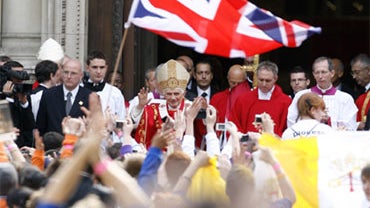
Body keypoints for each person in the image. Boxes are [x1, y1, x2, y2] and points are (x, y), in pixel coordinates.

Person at [131, 59, 191, 148]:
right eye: (169, 94)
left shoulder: (191, 109)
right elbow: (137, 130)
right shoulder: (153, 110)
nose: (173, 98)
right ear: (163, 94)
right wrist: (140, 107)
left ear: (184, 93)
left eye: (176, 94)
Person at [287, 56, 358, 130]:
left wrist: (329, 122)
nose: (320, 76)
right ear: (313, 75)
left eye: (323, 72)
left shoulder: (345, 98)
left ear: (332, 73)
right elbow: (292, 123)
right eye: (317, 72)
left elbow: (350, 127)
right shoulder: (301, 96)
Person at [229, 61, 291, 136]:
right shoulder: (243, 100)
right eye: (261, 80)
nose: (264, 84)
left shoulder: (285, 102)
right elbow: (234, 125)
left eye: (268, 81)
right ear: (256, 77)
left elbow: (288, 131)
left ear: (275, 78)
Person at [36, 59, 91, 136]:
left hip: (79, 145)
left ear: (81, 75)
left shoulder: (90, 97)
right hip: (53, 145)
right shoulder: (49, 95)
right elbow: (40, 126)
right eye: (66, 72)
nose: (69, 76)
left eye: (73, 73)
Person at [83, 50, 126, 119]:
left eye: (102, 67)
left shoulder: (115, 93)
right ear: (87, 68)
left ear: (106, 68)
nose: (98, 71)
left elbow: (121, 120)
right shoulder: (79, 89)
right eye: (94, 67)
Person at [2, 61, 35, 147]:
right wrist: (8, 98)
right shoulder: (2, 98)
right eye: (17, 79)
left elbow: (30, 125)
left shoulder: (24, 95)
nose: (20, 83)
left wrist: (24, 103)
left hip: (22, 146)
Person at [351, 54, 370, 129]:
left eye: (357, 72)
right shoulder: (360, 95)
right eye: (353, 73)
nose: (354, 76)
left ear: (368, 70)